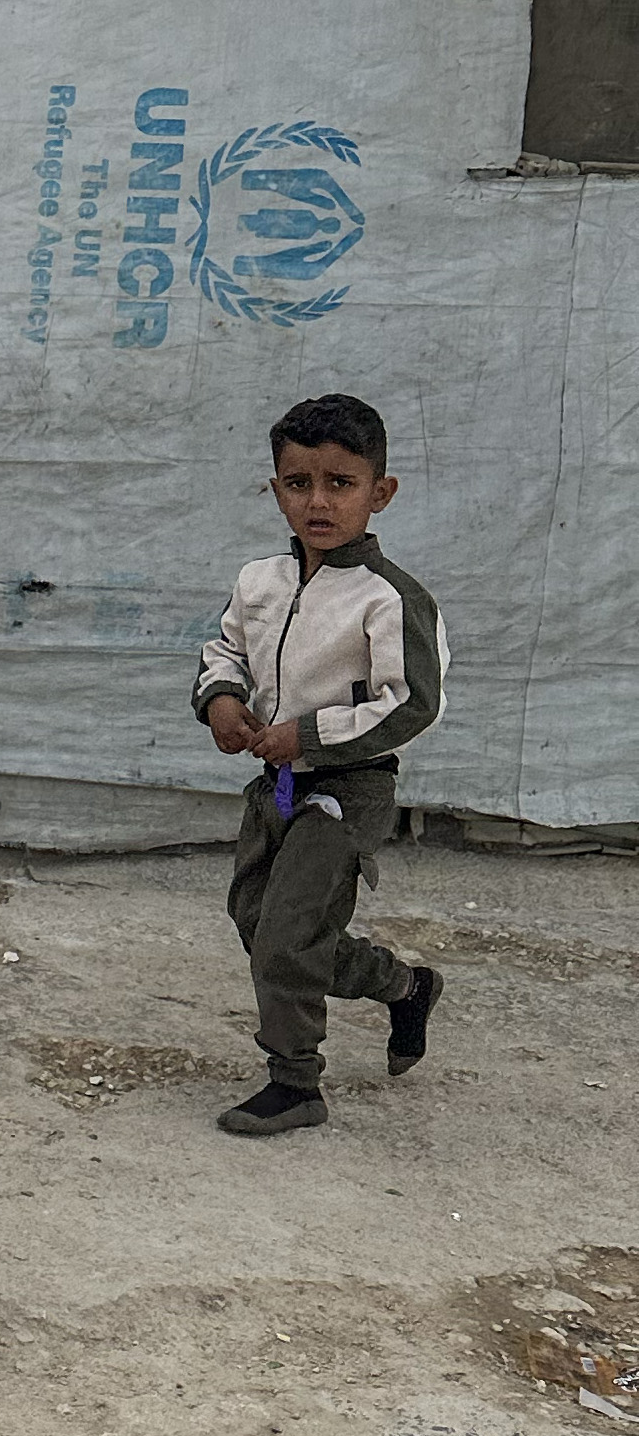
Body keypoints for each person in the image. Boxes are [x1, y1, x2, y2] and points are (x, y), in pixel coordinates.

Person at [194, 392, 446, 1138]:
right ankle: (403, 986)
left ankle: (295, 1082)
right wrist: (220, 700)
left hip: (348, 787)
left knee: (286, 937)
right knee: (255, 923)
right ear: (275, 489)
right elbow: (226, 649)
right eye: (297, 482)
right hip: (273, 784)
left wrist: (308, 735)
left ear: (380, 492)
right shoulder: (259, 581)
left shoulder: (390, 598)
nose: (317, 500)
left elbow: (412, 703)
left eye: (340, 483)